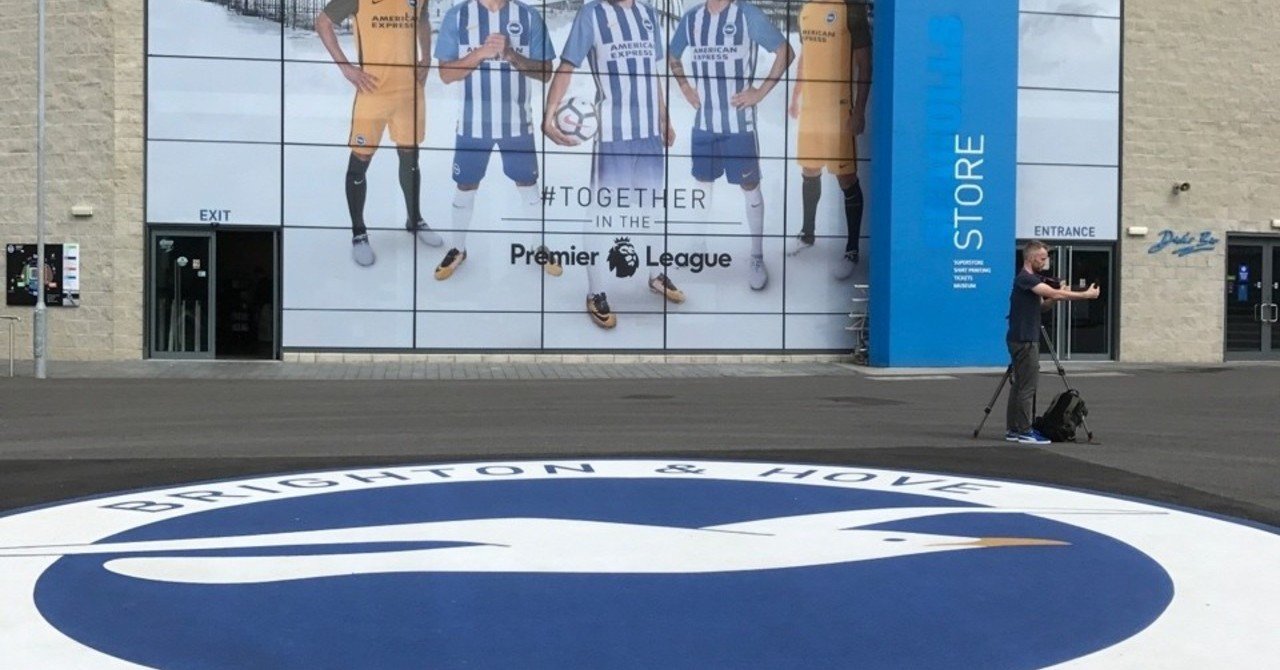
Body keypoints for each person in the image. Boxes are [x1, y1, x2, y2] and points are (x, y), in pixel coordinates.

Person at [543, 0, 677, 329]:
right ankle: (595, 292)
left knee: (651, 209)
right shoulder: (592, 14)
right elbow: (566, 66)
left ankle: (655, 274)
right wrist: (549, 114)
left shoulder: (648, 14)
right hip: (614, 135)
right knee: (603, 214)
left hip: (649, 135)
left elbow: (651, 72)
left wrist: (664, 116)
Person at [668, 0, 793, 291]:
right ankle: (697, 245)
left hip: (739, 125)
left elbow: (785, 51)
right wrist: (685, 86)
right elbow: (673, 54)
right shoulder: (692, 18)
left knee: (749, 186)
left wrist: (760, 92)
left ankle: (757, 256)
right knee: (702, 182)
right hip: (704, 123)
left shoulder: (747, 14)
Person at [433, 0, 560, 280]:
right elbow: (445, 74)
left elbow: (546, 73)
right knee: (465, 185)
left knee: (528, 184)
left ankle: (538, 246)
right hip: (473, 123)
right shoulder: (457, 16)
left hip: (516, 123)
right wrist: (480, 53)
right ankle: (458, 248)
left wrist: (511, 54)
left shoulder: (528, 16)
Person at [316, 0, 444, 268]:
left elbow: (422, 18)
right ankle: (359, 233)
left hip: (410, 92)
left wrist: (426, 56)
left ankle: (414, 219)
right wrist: (346, 68)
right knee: (360, 160)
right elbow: (323, 22)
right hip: (373, 91)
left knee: (410, 157)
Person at [787, 0, 870, 281]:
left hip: (838, 110)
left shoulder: (852, 9)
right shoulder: (807, 9)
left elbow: (865, 64)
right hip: (811, 109)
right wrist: (796, 95)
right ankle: (807, 234)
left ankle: (852, 249)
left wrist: (859, 111)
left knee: (846, 178)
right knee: (809, 169)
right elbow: (806, 55)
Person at [1006, 240, 1100, 445]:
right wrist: (1085, 295)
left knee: (1020, 385)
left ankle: (1014, 429)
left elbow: (1042, 305)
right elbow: (1054, 292)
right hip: (1025, 339)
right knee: (1027, 387)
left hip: (1022, 337)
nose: (1044, 262)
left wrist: (1055, 298)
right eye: (1042, 258)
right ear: (1031, 258)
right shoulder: (1026, 278)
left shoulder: (1029, 281)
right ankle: (1024, 431)